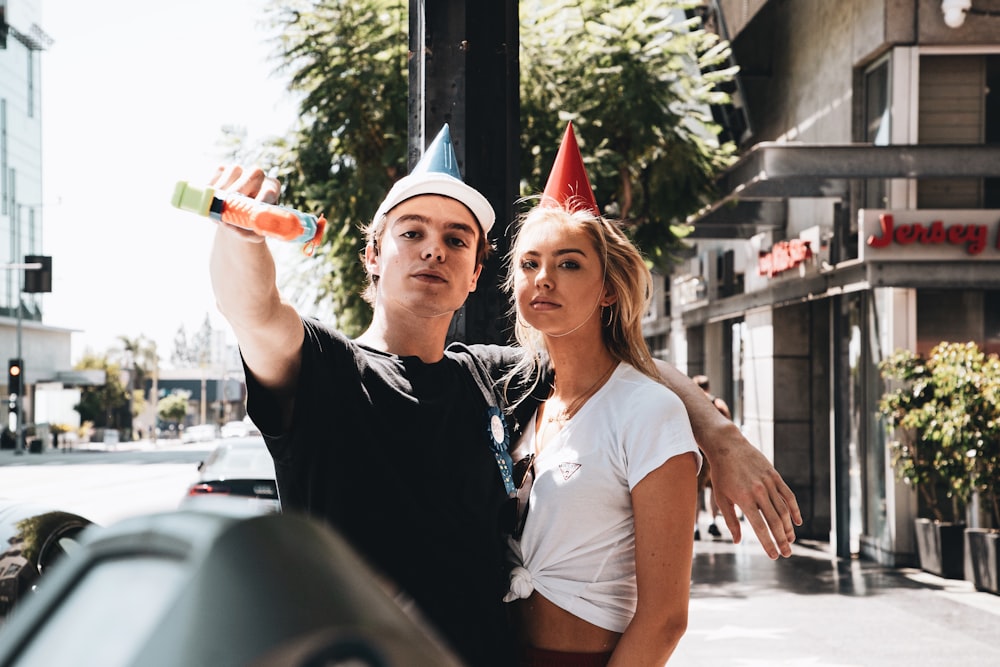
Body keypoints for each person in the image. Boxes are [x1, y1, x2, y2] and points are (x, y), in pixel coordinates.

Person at [207, 125, 801, 667]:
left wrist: (721, 439)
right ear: (373, 255)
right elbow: (254, 310)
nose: (433, 249)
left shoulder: (491, 379)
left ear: (474, 274)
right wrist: (242, 235)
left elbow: (622, 367)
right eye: (411, 233)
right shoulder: (324, 368)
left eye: (456, 239)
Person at [502, 123, 699, 666]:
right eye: (529, 263)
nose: (544, 279)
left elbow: (666, 619)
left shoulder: (648, 411)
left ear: (608, 288)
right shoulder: (518, 405)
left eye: (569, 264)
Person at [692, 375, 730, 539]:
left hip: (697, 455)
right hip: (714, 456)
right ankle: (713, 522)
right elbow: (728, 425)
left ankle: (695, 527)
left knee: (695, 492)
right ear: (708, 387)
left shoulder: (691, 405)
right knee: (713, 490)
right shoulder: (717, 403)